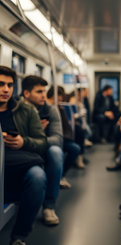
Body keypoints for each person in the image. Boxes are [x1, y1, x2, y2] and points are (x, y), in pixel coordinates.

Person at [0, 66, 47, 245]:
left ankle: (19, 236)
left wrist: (23, 142)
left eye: (10, 85)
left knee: (37, 176)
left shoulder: (26, 110)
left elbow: (42, 143)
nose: (6, 90)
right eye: (1, 84)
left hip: (19, 166)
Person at [22, 75, 63, 226]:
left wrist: (35, 136)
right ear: (26, 94)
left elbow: (57, 139)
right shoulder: (18, 108)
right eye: (39, 92)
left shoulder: (50, 110)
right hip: (22, 151)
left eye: (44, 91)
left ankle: (49, 206)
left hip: (42, 150)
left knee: (56, 152)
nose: (44, 95)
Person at [47, 86, 82, 187]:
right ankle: (58, 177)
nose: (61, 100)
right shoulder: (47, 108)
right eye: (59, 98)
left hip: (61, 136)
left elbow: (65, 125)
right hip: (51, 137)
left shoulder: (59, 108)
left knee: (75, 148)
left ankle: (61, 175)